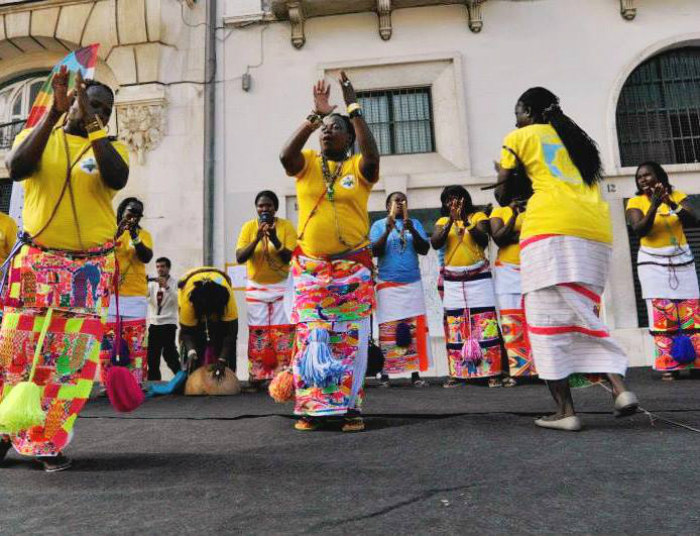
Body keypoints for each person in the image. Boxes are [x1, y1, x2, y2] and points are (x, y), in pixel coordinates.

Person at [1, 67, 128, 471]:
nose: (97, 112)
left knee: (69, 364)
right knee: (14, 356)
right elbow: (17, 167)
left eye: (104, 109)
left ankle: (46, 442)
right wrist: (54, 114)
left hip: (87, 275)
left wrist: (93, 127)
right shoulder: (43, 135)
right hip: (36, 266)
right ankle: (5, 432)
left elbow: (117, 177)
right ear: (72, 100)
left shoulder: (110, 148)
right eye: (89, 102)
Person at [495, 86, 638, 431]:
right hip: (595, 230)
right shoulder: (578, 140)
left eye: (517, 112)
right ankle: (619, 389)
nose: (515, 119)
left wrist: (503, 171)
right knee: (580, 311)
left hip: (550, 228)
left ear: (527, 111)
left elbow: (502, 194)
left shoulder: (519, 136)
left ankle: (565, 412)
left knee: (545, 325)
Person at [279, 72, 379, 432]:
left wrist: (353, 108)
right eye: (325, 128)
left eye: (335, 128)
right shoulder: (306, 164)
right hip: (310, 271)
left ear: (349, 137)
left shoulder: (358, 168)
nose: (327, 131)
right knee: (311, 337)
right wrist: (314, 116)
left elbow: (372, 155)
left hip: (352, 272)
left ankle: (349, 408)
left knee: (349, 339)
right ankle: (311, 406)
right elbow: (284, 155)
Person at [626, 162, 699, 381]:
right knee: (662, 314)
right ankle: (669, 364)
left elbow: (694, 221)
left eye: (647, 175)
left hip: (682, 262)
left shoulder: (677, 196)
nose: (643, 179)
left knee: (691, 313)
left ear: (659, 176)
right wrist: (655, 205)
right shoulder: (635, 201)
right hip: (653, 266)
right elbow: (640, 229)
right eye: (639, 177)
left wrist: (671, 203)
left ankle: (695, 361)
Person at [431, 186, 505, 388]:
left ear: (466, 199)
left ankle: (492, 373)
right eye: (449, 200)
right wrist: (450, 222)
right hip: (453, 282)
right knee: (456, 325)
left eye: (457, 199)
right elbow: (435, 243)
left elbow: (482, 239)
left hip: (479, 278)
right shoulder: (442, 221)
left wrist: (465, 220)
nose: (453, 203)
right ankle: (458, 373)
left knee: (485, 324)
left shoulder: (479, 216)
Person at [236, 191, 296, 390]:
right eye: (261, 206)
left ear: (275, 208)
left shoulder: (285, 226)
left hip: (281, 287)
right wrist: (257, 238)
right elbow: (240, 257)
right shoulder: (248, 227)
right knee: (258, 332)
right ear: (256, 208)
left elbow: (290, 257)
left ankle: (282, 374)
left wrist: (275, 239)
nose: (264, 209)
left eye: (268, 205)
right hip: (256, 289)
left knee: (281, 332)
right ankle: (258, 374)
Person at [370, 192, 431, 388]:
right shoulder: (379, 225)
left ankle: (415, 374)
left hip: (413, 283)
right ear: (388, 205)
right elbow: (374, 251)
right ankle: (386, 373)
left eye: (403, 200)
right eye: (396, 200)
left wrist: (412, 229)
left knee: (414, 328)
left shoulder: (415, 223)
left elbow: (424, 249)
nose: (400, 203)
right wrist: (387, 231)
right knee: (388, 329)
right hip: (388, 285)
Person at [99, 198, 153, 389]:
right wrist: (118, 233)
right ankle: (109, 384)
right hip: (111, 295)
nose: (134, 217)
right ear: (122, 211)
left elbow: (146, 256)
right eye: (131, 212)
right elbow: (99, 252)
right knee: (108, 343)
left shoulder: (142, 234)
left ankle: (134, 383)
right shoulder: (109, 232)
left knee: (134, 343)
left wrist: (134, 236)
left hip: (135, 296)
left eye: (138, 214)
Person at [490, 192, 536, 381]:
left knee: (535, 320)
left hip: (533, 269)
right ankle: (519, 371)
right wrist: (514, 218)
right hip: (507, 273)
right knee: (512, 322)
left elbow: (536, 233)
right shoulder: (498, 213)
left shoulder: (534, 209)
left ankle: (540, 369)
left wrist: (514, 234)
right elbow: (499, 238)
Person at [178, 267, 238, 377]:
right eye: (207, 315)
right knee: (195, 346)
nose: (209, 318)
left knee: (223, 344)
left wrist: (222, 359)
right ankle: (191, 373)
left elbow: (231, 333)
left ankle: (228, 375)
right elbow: (186, 332)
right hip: (189, 291)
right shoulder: (188, 304)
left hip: (217, 284)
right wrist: (191, 351)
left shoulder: (228, 302)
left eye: (212, 315)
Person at [146, 257, 180, 381]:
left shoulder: (175, 283)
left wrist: (167, 287)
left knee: (169, 354)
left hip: (168, 324)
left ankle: (181, 379)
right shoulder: (152, 284)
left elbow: (178, 300)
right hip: (155, 324)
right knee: (152, 357)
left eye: (163, 266)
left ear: (168, 268)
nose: (160, 269)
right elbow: (143, 297)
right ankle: (154, 383)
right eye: (158, 266)